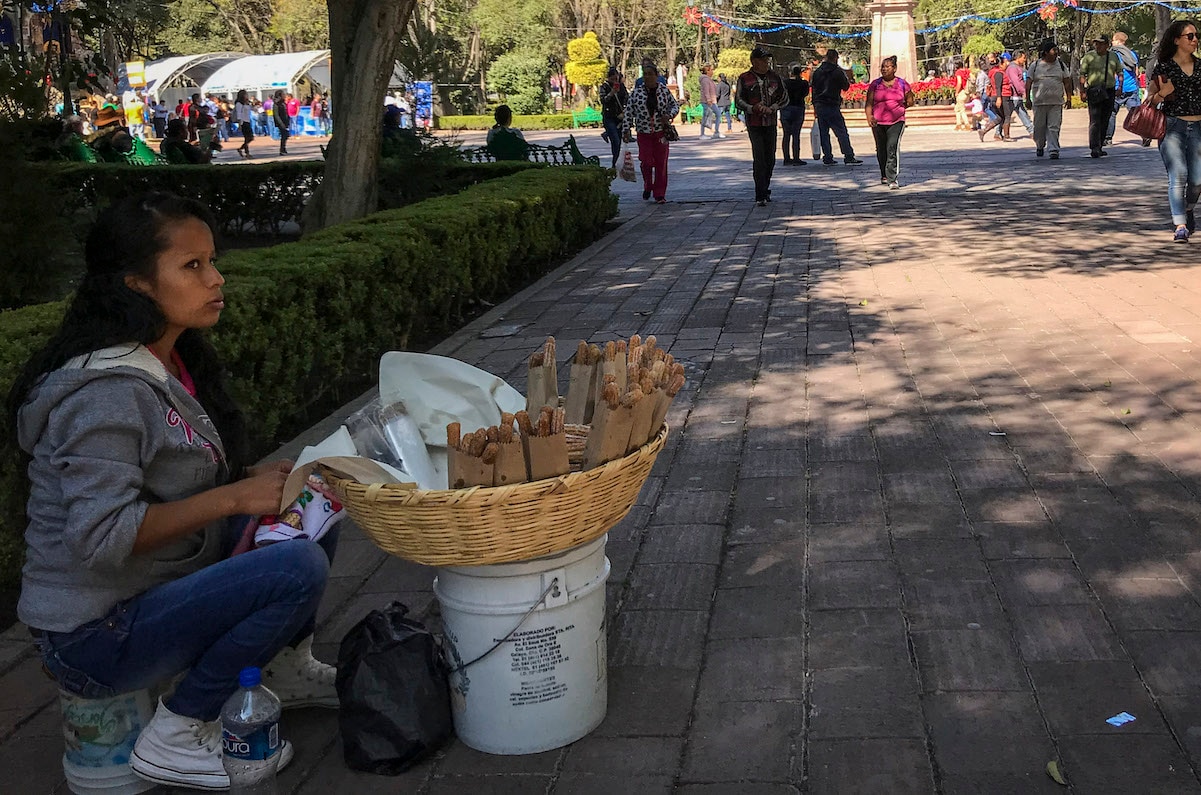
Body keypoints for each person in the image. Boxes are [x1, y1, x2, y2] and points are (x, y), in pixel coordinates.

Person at [8, 192, 340, 790]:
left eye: (212, 261)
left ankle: (286, 672)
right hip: (93, 638)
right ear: (135, 283)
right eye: (192, 266)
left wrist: (258, 486)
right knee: (295, 567)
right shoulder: (104, 391)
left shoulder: (169, 358)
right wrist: (236, 500)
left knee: (312, 504)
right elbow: (102, 538)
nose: (215, 279)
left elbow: (174, 490)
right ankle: (180, 729)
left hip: (148, 597)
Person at [1148, 19, 1201, 242]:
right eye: (1190, 36)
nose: (1195, 40)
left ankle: (1188, 209)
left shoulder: (1200, 66)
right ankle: (1180, 225)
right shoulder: (1164, 67)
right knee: (1178, 175)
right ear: (1177, 40)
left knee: (1197, 180)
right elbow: (1149, 101)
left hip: (1198, 128)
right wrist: (1162, 93)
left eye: (1196, 36)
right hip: (1173, 128)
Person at [736, 46, 790, 205]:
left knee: (770, 158)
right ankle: (760, 193)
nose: (766, 63)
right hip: (754, 123)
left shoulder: (775, 77)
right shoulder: (744, 78)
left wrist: (773, 107)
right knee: (759, 158)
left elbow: (784, 97)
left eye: (767, 59)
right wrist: (752, 108)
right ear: (754, 61)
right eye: (762, 60)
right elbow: (738, 100)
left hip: (770, 122)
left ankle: (765, 187)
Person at [624, 62, 679, 204]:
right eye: (645, 74)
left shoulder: (664, 91)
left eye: (650, 74)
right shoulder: (636, 93)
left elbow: (674, 105)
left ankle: (659, 193)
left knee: (661, 163)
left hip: (661, 133)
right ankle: (648, 184)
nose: (647, 77)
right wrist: (626, 129)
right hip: (644, 133)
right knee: (646, 161)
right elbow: (628, 112)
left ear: (656, 76)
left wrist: (669, 115)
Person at [865, 55, 914, 189]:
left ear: (895, 69)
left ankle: (892, 178)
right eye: (883, 67)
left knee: (891, 147)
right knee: (881, 149)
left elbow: (910, 100)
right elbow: (869, 102)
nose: (884, 69)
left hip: (896, 121)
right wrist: (869, 116)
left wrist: (900, 108)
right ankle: (884, 174)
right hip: (878, 122)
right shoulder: (875, 84)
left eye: (888, 67)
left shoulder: (902, 84)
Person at [810, 48, 863, 166]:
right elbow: (845, 87)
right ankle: (848, 155)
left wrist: (815, 107)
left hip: (820, 105)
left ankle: (827, 157)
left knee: (824, 133)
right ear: (835, 58)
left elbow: (813, 90)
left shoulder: (817, 72)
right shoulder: (837, 72)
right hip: (832, 105)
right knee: (841, 132)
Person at [1026, 39, 1074, 159]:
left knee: (1054, 126)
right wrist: (1027, 98)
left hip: (1056, 102)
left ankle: (1053, 149)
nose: (1056, 53)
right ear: (1046, 52)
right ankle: (1040, 145)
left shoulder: (1061, 65)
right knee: (1039, 126)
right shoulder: (1035, 65)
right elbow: (1028, 82)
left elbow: (1067, 82)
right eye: (1054, 50)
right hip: (1039, 102)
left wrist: (1069, 98)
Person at [1080, 36, 1122, 157]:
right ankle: (1094, 147)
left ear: (1107, 45)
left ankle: (1100, 143)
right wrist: (1082, 91)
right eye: (1096, 44)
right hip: (1094, 90)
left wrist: (1120, 87)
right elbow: (1083, 74)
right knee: (1095, 119)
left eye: (1101, 44)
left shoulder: (1113, 56)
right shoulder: (1089, 57)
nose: (1098, 46)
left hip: (1109, 90)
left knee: (1106, 118)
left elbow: (1119, 72)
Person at [1107, 31, 1147, 147]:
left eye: (1113, 40)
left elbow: (1114, 71)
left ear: (1118, 41)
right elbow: (1136, 72)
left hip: (1117, 88)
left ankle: (1108, 138)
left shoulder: (1113, 54)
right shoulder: (1132, 54)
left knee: (1111, 113)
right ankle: (1145, 135)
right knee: (1136, 114)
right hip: (1132, 88)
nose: (1112, 42)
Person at [598, 68, 629, 167]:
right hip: (609, 117)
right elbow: (603, 100)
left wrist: (625, 110)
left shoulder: (622, 87)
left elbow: (627, 99)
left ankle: (618, 163)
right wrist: (611, 93)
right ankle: (615, 164)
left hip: (620, 118)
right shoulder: (604, 87)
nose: (615, 80)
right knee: (615, 140)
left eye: (617, 78)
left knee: (619, 141)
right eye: (613, 78)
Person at [780, 65, 809, 165]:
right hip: (798, 108)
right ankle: (796, 157)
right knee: (796, 135)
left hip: (786, 108)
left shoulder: (784, 83)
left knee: (786, 135)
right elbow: (805, 94)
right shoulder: (804, 83)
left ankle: (786, 158)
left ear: (790, 72)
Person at [1004, 51, 1035, 135]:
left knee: (1021, 113)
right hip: (1013, 95)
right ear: (1018, 58)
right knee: (1006, 116)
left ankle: (1031, 131)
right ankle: (995, 131)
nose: (1024, 60)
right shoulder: (1013, 68)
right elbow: (1016, 81)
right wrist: (1023, 91)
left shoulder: (1018, 67)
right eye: (1023, 58)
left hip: (1016, 96)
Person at [699, 65, 722, 139]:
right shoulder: (705, 80)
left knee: (718, 114)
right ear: (707, 71)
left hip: (712, 101)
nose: (713, 71)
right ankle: (702, 134)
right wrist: (708, 100)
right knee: (705, 116)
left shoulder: (709, 79)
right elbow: (706, 91)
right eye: (711, 70)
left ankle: (716, 132)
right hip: (707, 101)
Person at [233, 89, 254, 158]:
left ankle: (241, 149)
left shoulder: (246, 103)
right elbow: (239, 114)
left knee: (250, 138)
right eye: (245, 94)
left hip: (247, 121)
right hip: (243, 122)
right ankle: (247, 153)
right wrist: (239, 124)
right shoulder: (239, 103)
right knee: (247, 137)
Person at [273, 89, 290, 155]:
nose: (284, 95)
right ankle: (282, 150)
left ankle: (283, 148)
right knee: (284, 134)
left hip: (285, 121)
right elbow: (276, 115)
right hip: (280, 122)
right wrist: (281, 123)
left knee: (285, 135)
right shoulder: (276, 104)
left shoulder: (283, 103)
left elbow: (286, 112)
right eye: (283, 94)